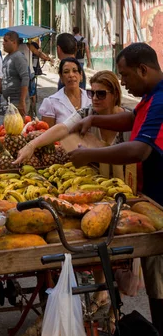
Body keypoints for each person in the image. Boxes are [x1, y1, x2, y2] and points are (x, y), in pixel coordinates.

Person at [15, 69, 129, 315]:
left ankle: (110, 305)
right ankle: (101, 294)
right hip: (92, 188)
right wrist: (33, 145)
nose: (95, 98)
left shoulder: (127, 121)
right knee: (93, 237)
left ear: (115, 95)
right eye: (92, 93)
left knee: (121, 253)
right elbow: (62, 129)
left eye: (101, 94)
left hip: (122, 190)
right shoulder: (88, 114)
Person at [69, 43, 163, 336]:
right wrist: (94, 119)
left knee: (160, 284)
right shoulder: (151, 97)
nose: (123, 82)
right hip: (153, 197)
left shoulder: (161, 100)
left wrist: (91, 154)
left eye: (125, 75)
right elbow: (134, 120)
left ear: (143, 70)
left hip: (162, 202)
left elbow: (138, 149)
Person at [38, 57, 91, 126]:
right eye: (66, 72)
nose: (71, 75)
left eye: (75, 71)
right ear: (61, 77)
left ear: (81, 75)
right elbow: (47, 134)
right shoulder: (51, 103)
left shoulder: (91, 98)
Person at [0, 31, 29, 116]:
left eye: (5, 41)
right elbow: (4, 78)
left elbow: (25, 78)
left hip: (18, 102)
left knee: (16, 128)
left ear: (14, 42)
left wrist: (22, 101)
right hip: (10, 101)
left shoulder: (18, 57)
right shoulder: (7, 58)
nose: (3, 43)